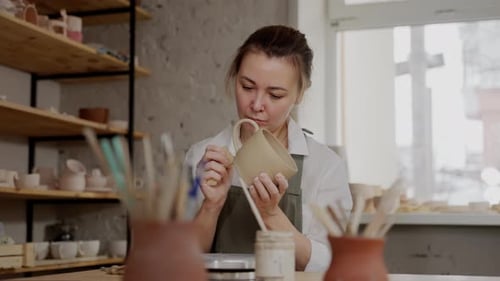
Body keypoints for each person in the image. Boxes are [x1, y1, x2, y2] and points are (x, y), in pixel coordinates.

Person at [185, 25, 352, 272]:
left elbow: (331, 265)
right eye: (247, 87)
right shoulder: (201, 157)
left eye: (275, 95)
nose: (257, 105)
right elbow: (181, 262)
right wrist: (211, 206)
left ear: (299, 94)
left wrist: (271, 215)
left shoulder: (325, 167)